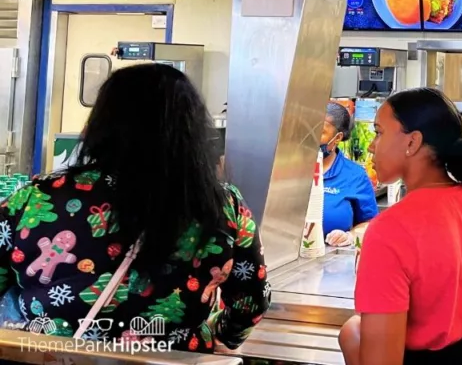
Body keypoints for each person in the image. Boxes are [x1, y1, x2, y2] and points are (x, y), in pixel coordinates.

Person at [0, 63, 269, 351]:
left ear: (102, 124)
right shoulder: (222, 205)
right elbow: (251, 301)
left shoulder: (34, 198)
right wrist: (223, 337)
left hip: (50, 355)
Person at [338, 87, 462, 365]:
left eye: (379, 132)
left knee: (352, 331)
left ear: (412, 142)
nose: (372, 145)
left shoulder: (389, 230)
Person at [320, 102, 378, 247]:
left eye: (320, 132)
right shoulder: (288, 169)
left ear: (338, 138)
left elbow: (371, 223)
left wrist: (350, 235)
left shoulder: (354, 176)